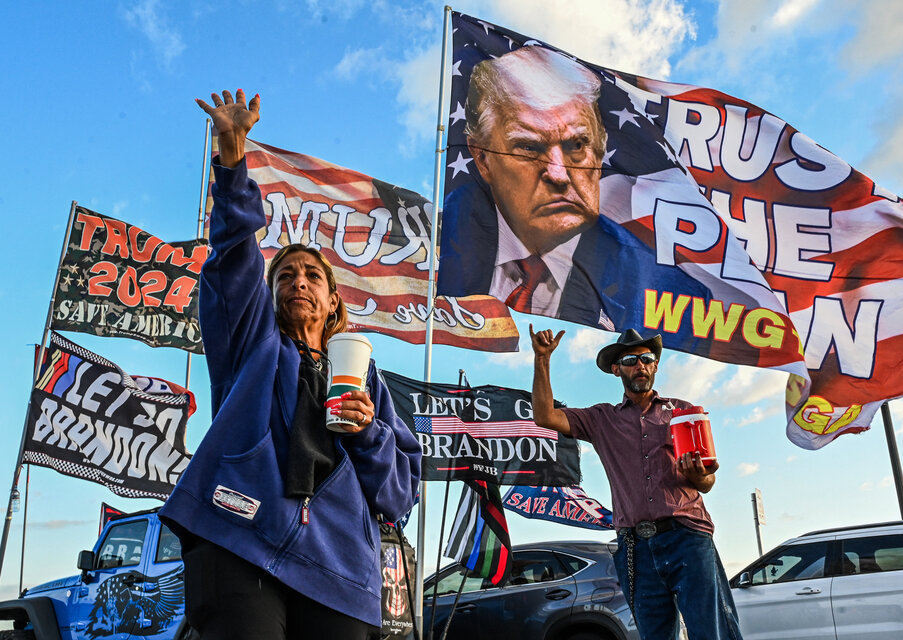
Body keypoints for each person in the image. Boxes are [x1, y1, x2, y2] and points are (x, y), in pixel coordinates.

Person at [159, 89, 421, 640]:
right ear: (271, 294)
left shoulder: (369, 381)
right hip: (237, 535)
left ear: (333, 303)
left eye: (312, 276)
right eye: (285, 275)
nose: (298, 281)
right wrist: (232, 162)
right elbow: (235, 256)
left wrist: (370, 431)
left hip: (340, 569)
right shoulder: (252, 343)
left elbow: (398, 494)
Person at [438, 45, 709, 332]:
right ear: (482, 157)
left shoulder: (669, 290)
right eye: (529, 147)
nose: (558, 174)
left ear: (601, 148)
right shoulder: (439, 238)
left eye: (577, 145)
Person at [529, 325, 742, 640]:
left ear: (655, 366)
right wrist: (542, 359)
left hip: (688, 538)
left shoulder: (682, 412)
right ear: (616, 370)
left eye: (646, 358)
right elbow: (545, 416)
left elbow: (707, 481)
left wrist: (700, 475)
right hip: (635, 548)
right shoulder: (602, 419)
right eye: (630, 359)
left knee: (713, 633)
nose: (639, 365)